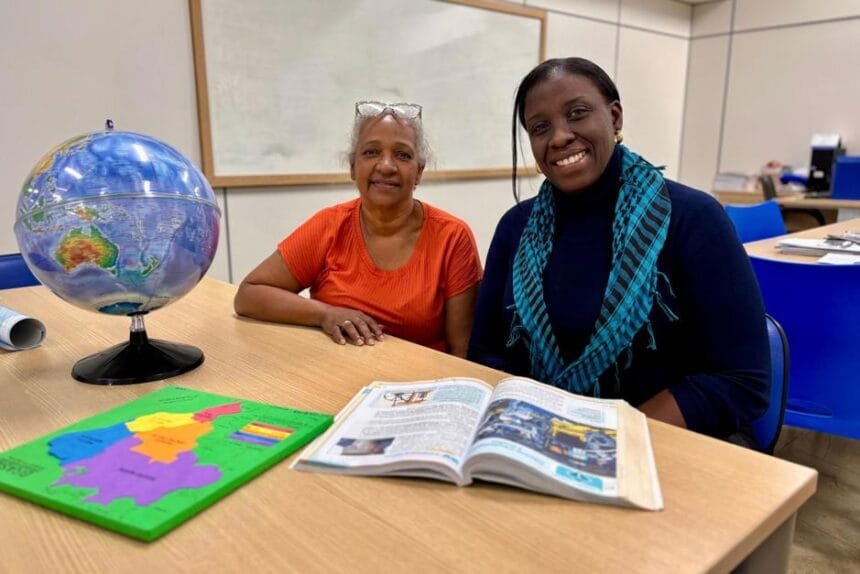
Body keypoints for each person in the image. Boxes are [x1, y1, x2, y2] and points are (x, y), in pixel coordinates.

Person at [468, 58, 769, 446]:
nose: (559, 137)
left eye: (577, 113)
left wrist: (606, 439)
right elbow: (487, 354)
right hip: (541, 438)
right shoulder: (515, 227)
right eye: (540, 127)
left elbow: (742, 380)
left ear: (614, 117)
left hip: (669, 443)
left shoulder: (693, 218)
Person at [234, 101, 482, 357]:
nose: (386, 166)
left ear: (418, 172)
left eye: (402, 155)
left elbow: (463, 352)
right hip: (336, 373)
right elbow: (249, 294)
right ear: (353, 167)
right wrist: (325, 314)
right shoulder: (329, 226)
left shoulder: (452, 238)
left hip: (424, 379)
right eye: (371, 152)